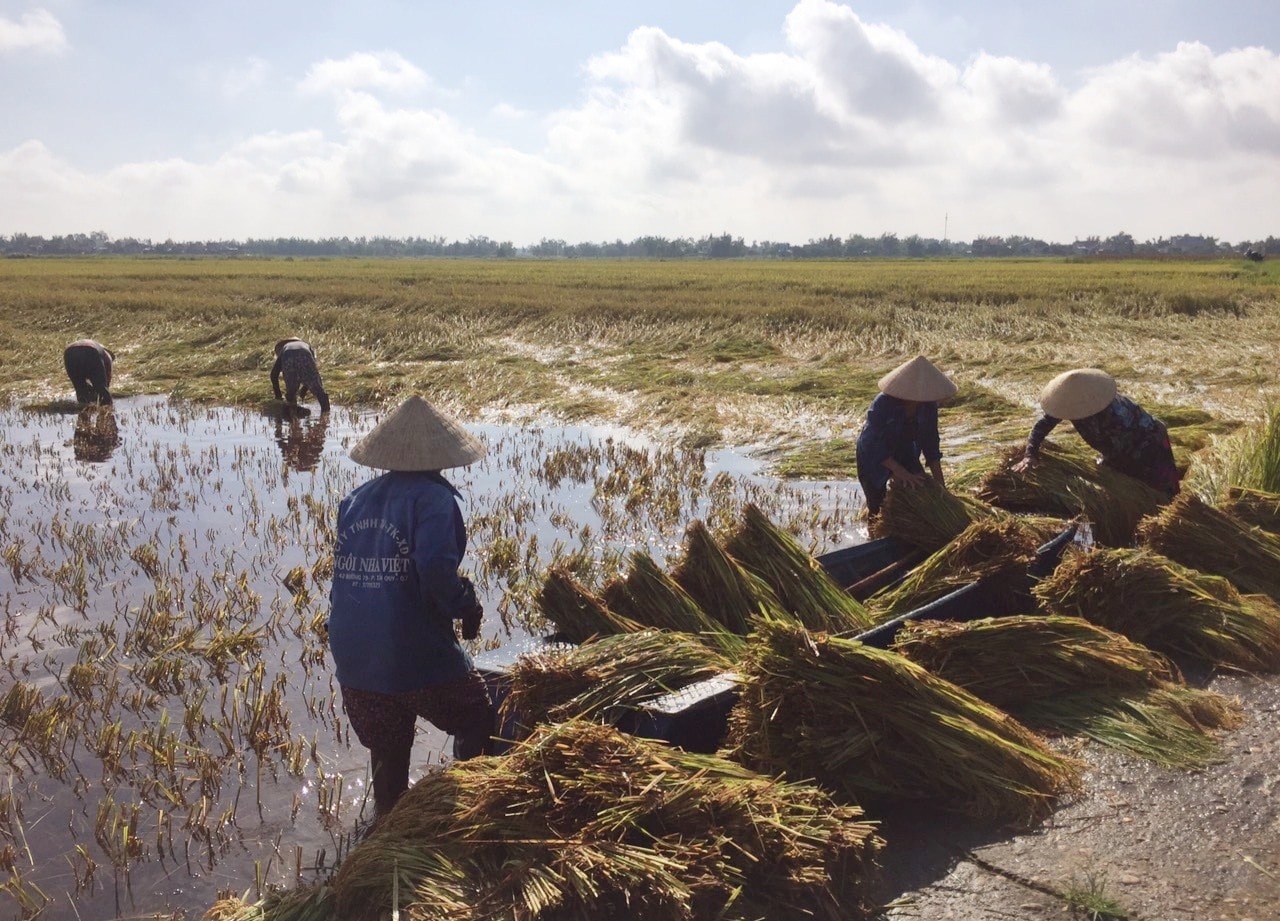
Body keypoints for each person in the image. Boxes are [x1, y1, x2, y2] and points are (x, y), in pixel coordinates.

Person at [327, 395, 493, 821]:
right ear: (442, 457)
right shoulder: (436, 501)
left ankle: (386, 831)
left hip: (355, 657)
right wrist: (467, 606)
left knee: (389, 748)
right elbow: (437, 573)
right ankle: (465, 808)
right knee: (477, 717)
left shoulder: (355, 500)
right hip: (411, 652)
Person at [1013, 368, 1181, 498]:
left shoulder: (1114, 415)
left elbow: (1121, 453)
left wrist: (1100, 473)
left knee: (1159, 493)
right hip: (1123, 447)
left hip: (1149, 443)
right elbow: (1042, 425)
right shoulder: (1071, 403)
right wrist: (1030, 454)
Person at [856, 355, 958, 516]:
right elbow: (872, 442)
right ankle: (875, 529)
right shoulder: (883, 403)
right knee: (877, 504)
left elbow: (931, 444)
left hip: (905, 451)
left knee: (917, 489)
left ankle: (904, 528)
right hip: (874, 456)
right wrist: (898, 471)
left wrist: (941, 488)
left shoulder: (928, 406)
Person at [270, 338, 330, 414]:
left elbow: (274, 374)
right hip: (305, 354)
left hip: (288, 357)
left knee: (291, 392)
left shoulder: (284, 349)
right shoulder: (306, 345)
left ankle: (293, 417)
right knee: (319, 391)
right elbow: (311, 372)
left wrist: (278, 395)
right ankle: (326, 415)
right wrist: (305, 388)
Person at [64, 339, 114, 405]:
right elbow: (106, 380)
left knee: (80, 388)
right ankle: (108, 409)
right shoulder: (107, 355)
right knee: (102, 389)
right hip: (90, 351)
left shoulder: (97, 347)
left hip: (69, 353)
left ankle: (83, 408)